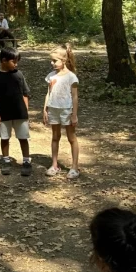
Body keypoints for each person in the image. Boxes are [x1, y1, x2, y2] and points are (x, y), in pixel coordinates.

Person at [0, 48, 32, 176]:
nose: (16, 64)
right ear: (4, 60)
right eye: (14, 61)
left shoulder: (19, 75)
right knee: (5, 137)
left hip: (20, 113)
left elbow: (25, 93)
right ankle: (6, 160)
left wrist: (26, 110)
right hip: (4, 114)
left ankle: (26, 161)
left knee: (23, 137)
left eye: (17, 61)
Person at [44, 44, 80, 179]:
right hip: (53, 109)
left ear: (64, 60)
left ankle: (74, 167)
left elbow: (75, 97)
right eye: (51, 60)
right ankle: (54, 165)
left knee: (71, 138)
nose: (52, 63)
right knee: (55, 137)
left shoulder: (71, 77)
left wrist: (74, 114)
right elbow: (48, 93)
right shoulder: (51, 76)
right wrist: (45, 109)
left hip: (67, 110)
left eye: (55, 60)